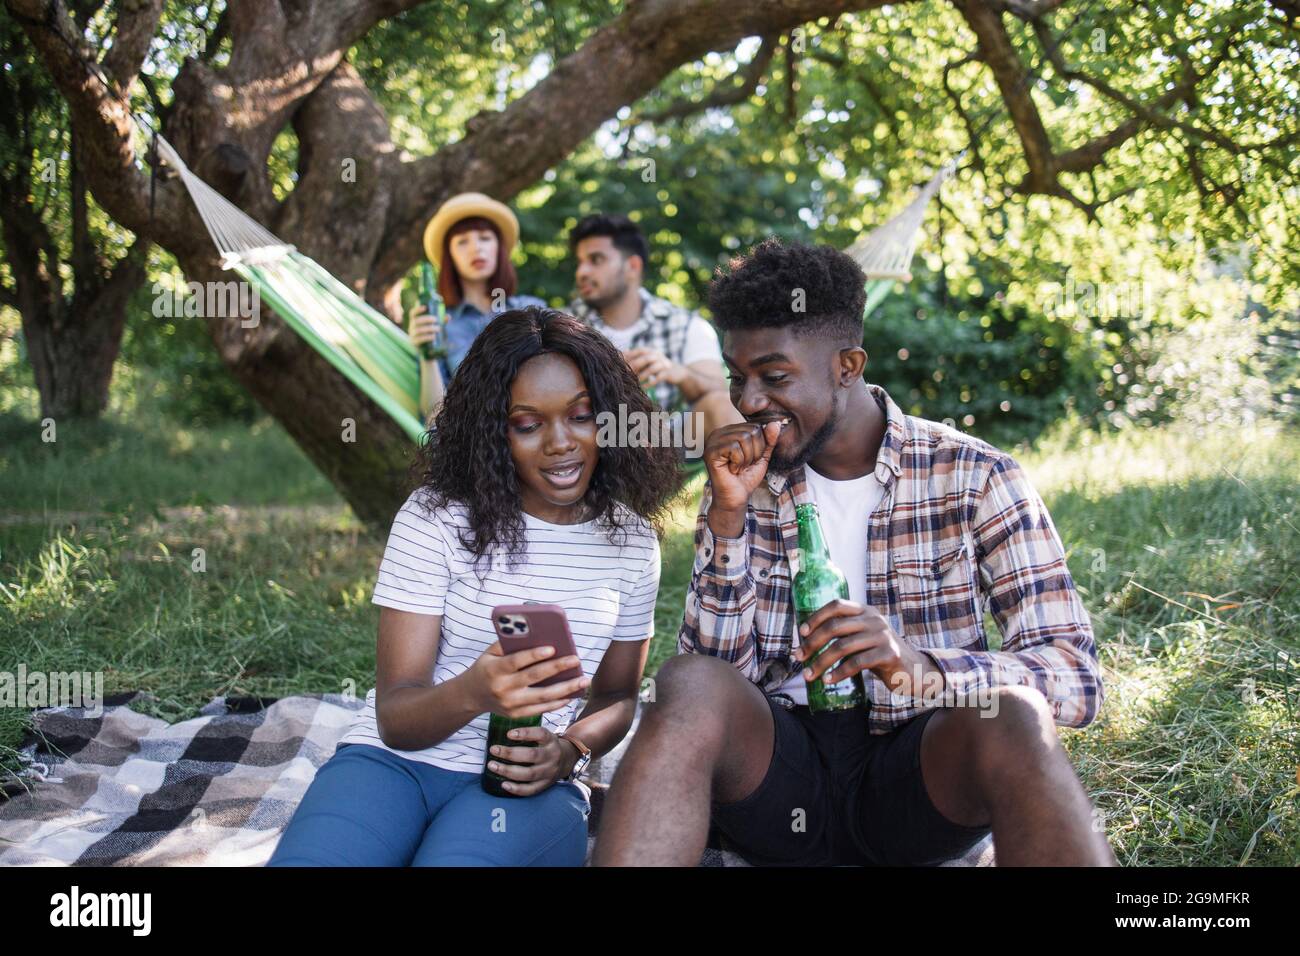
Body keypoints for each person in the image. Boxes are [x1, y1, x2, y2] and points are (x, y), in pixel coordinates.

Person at [592, 238, 1116, 867]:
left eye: (775, 376)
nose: (750, 401)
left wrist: (920, 666)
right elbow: (712, 689)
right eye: (739, 378)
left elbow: (1075, 678)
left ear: (848, 365)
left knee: (1014, 715)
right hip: (782, 785)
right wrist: (727, 520)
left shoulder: (976, 475)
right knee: (687, 680)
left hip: (917, 786)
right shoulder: (746, 483)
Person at [269, 307, 680, 867]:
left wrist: (567, 752)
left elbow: (616, 696)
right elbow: (396, 717)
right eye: (528, 424)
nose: (561, 443)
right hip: (393, 763)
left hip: (522, 785)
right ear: (494, 431)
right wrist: (474, 692)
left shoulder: (630, 542)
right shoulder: (435, 519)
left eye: (581, 416)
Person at [568, 213, 741, 452]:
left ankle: (745, 488)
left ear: (632, 266)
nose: (582, 272)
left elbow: (720, 399)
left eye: (595, 260)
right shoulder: (564, 326)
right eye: (580, 262)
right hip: (590, 444)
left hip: (666, 445)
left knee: (718, 404)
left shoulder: (685, 324)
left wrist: (679, 373)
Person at [409, 192, 545, 419]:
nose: (475, 248)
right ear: (449, 256)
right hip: (479, 446)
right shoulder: (441, 325)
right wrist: (427, 354)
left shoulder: (532, 309)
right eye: (462, 242)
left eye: (484, 238)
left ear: (498, 247)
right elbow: (433, 419)